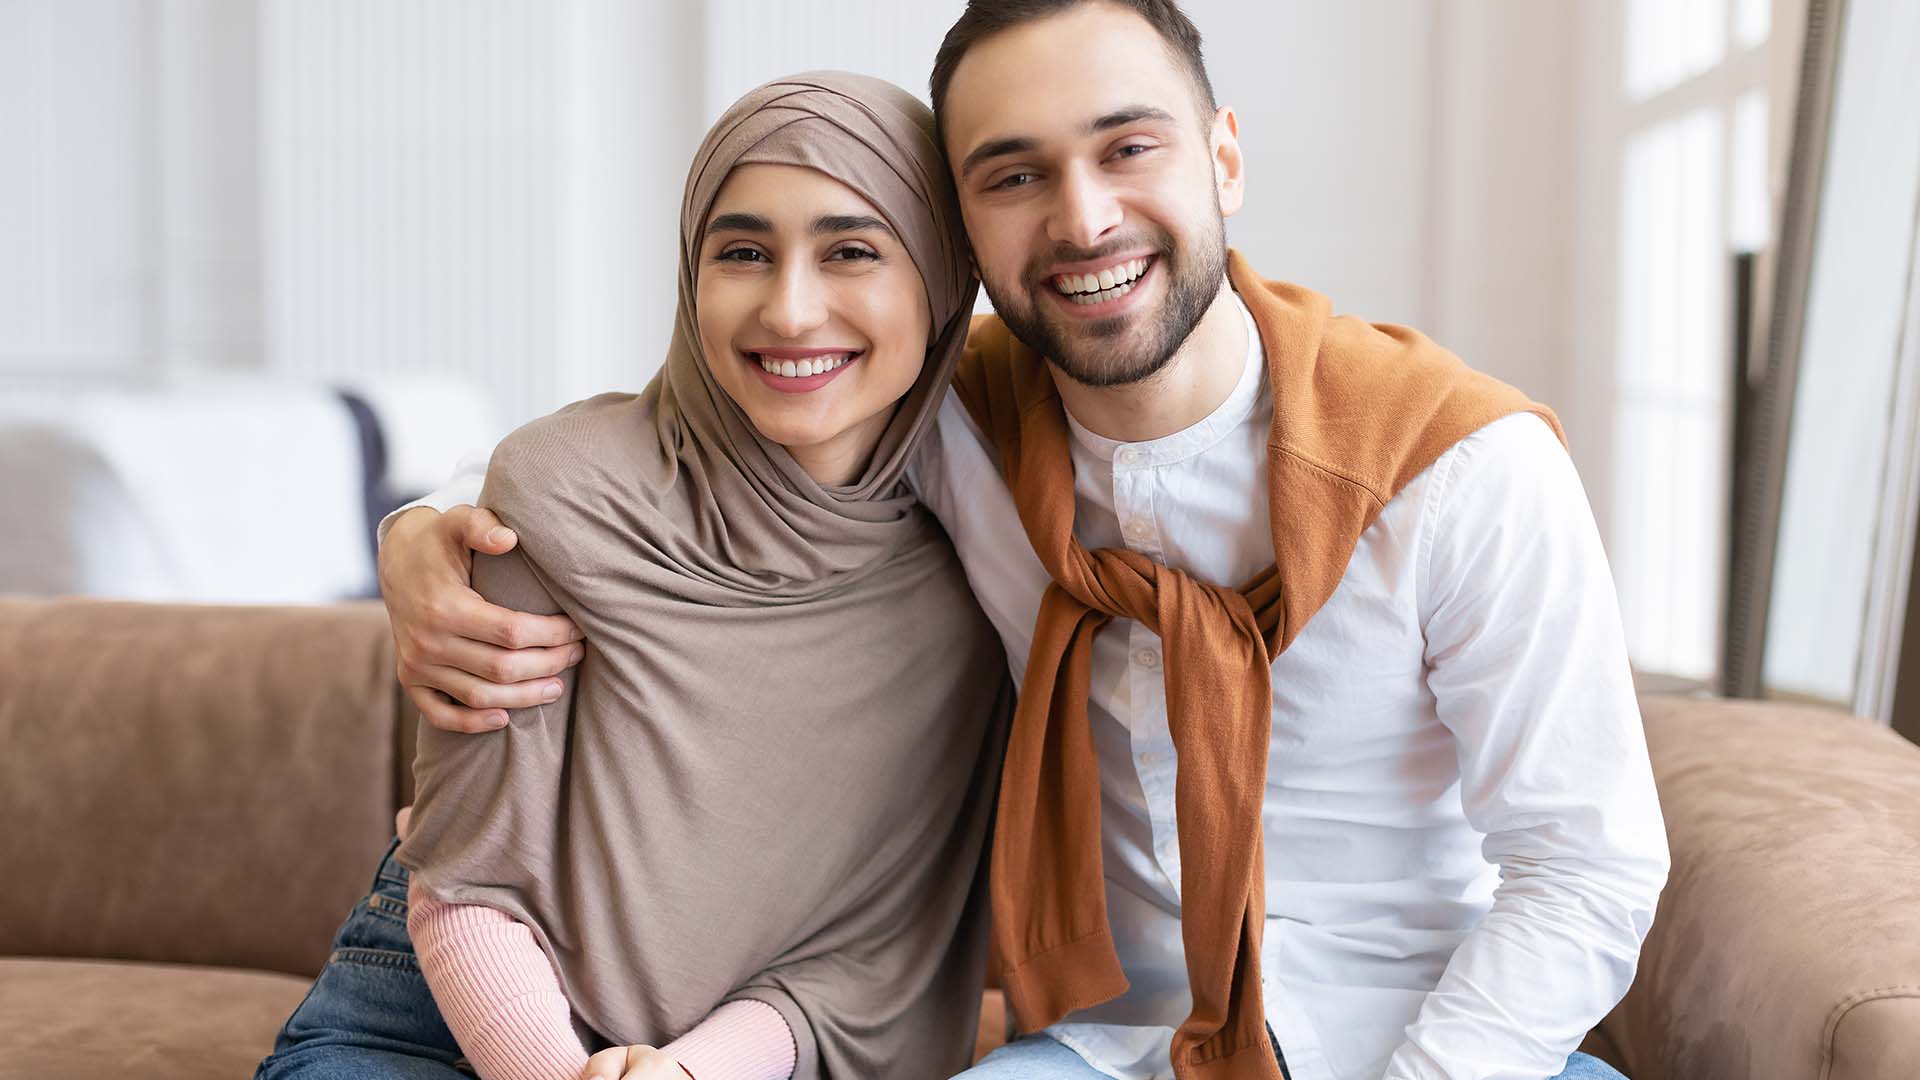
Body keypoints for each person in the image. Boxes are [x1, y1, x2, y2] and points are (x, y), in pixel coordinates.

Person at [382, 3, 1671, 1079]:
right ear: (959, 231)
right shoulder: (950, 416)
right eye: (1014, 175)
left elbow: (1586, 871)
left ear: (1224, 158)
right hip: (1117, 1048)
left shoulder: (1463, 467)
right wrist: (426, 528)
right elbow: (669, 439)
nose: (1083, 218)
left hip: (1447, 1038)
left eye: (1128, 149)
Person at [256, 72, 1010, 1080]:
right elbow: (468, 886)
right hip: (438, 1010)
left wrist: (692, 1072)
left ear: (942, 278)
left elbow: (873, 953)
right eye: (741, 251)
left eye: (852, 252)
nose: (789, 308)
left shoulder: (974, 582)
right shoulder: (558, 490)